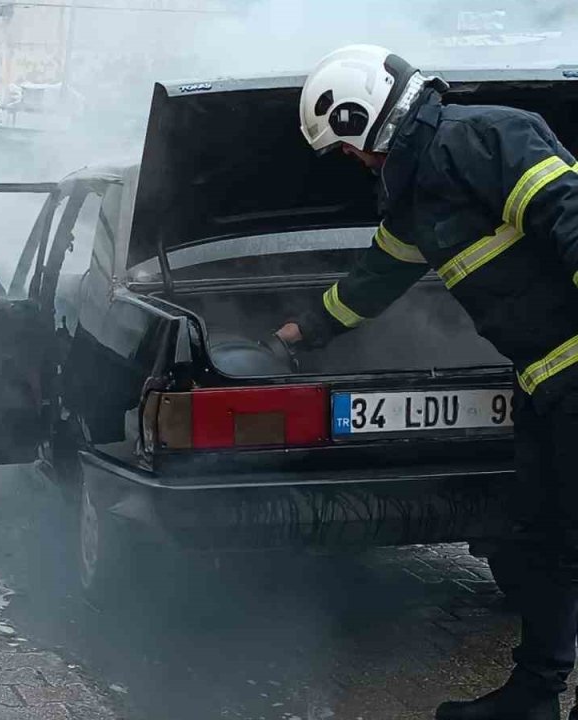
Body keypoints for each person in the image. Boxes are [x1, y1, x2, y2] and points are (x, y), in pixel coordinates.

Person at [281, 44, 578, 720]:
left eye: (349, 144)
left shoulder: (485, 136)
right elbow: (372, 281)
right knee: (547, 541)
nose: (353, 161)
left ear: (370, 114)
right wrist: (297, 334)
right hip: (545, 382)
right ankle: (534, 698)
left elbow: (572, 214)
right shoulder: (416, 200)